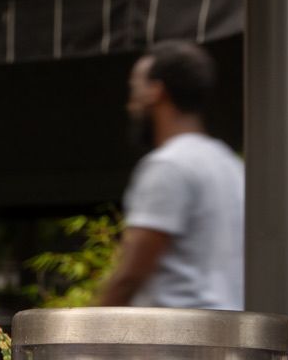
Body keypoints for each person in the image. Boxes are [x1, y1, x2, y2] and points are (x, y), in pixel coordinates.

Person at [94, 41, 244, 310]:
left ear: (156, 91)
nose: (131, 105)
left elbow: (130, 275)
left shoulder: (168, 166)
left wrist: (87, 332)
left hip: (178, 339)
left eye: (134, 90)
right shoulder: (230, 164)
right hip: (226, 334)